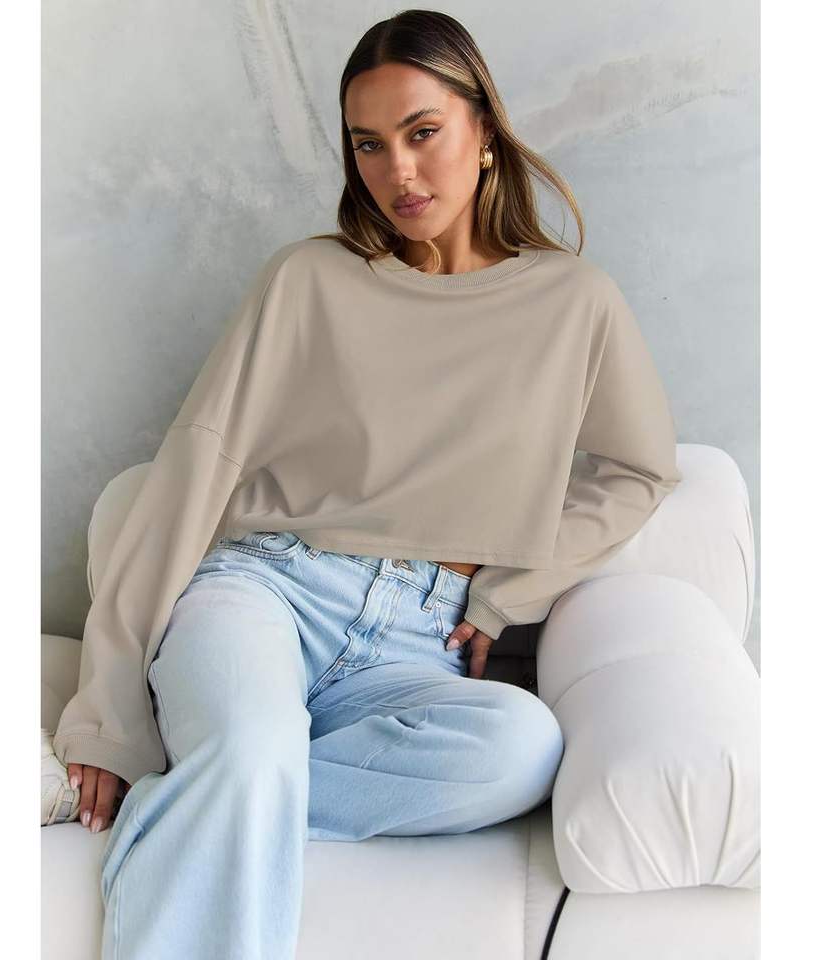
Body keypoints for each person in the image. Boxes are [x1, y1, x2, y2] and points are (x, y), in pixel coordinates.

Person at [53, 10, 682, 958]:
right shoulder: (309, 280)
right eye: (369, 145)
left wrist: (508, 591)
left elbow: (640, 470)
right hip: (265, 592)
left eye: (423, 132)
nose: (399, 171)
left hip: (417, 642)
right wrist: (107, 709)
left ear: (483, 131)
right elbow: (191, 475)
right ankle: (236, 774)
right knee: (251, 750)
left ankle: (215, 793)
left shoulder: (573, 302)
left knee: (521, 748)